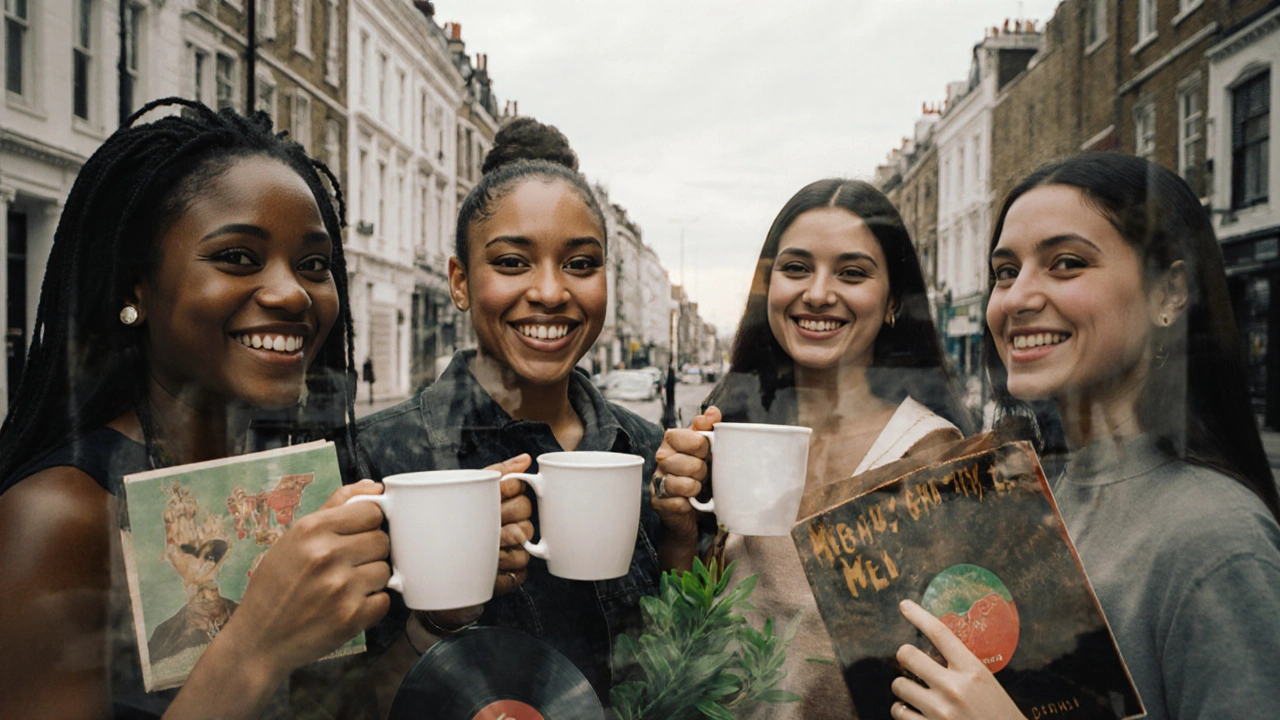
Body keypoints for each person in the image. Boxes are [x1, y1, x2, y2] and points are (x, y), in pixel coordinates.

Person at [890, 153, 1280, 720]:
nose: (1018, 297)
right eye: (1005, 271)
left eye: (1066, 263)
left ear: (1169, 293)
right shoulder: (1034, 491)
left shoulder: (1218, 539)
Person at [354, 116, 664, 701]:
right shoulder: (377, 462)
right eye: (512, 263)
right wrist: (437, 620)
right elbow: (339, 706)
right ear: (460, 281)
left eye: (580, 264)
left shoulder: (647, 452)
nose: (550, 291)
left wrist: (683, 538)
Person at [653, 179, 973, 718]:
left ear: (894, 300)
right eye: (796, 268)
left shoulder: (932, 454)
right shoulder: (730, 426)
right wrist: (680, 532)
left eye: (852, 273)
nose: (818, 292)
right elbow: (680, 643)